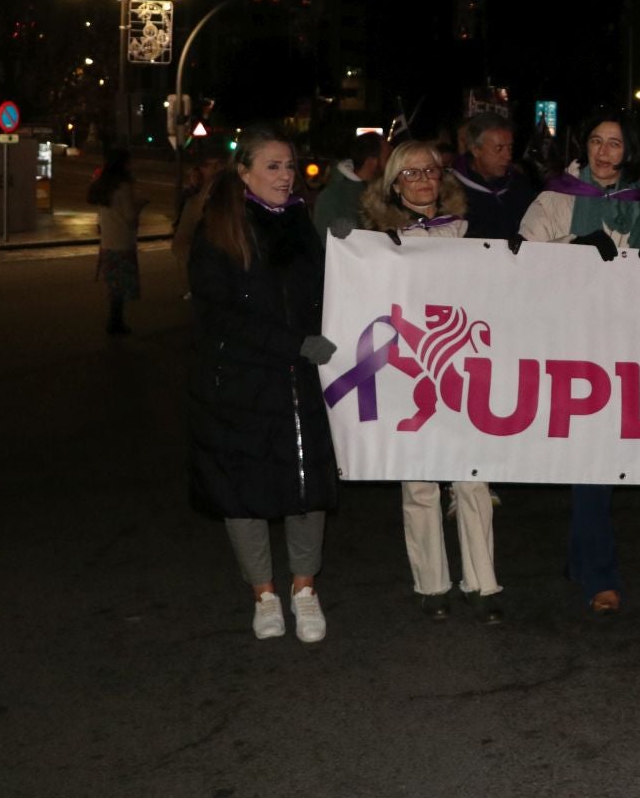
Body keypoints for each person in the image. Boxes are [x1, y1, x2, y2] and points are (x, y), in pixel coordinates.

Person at [186, 125, 339, 642]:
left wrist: (348, 251)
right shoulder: (219, 229)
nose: (285, 175)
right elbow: (220, 316)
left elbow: (324, 295)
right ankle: (264, 595)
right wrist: (292, 344)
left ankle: (304, 590)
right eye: (272, 166)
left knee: (306, 485)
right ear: (244, 172)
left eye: (290, 165)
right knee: (243, 490)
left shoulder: (300, 223)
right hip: (240, 386)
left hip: (299, 382)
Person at [515, 113, 640, 615]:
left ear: (630, 151)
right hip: (571, 342)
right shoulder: (556, 198)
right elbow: (523, 258)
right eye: (596, 142)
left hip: (624, 343)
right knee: (594, 459)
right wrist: (574, 247)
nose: (604, 153)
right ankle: (601, 575)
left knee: (599, 460)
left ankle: (581, 557)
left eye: (615, 144)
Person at [350, 138, 504, 622]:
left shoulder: (468, 231)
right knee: (419, 480)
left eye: (430, 171)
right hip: (405, 365)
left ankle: (483, 583)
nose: (422, 181)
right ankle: (431, 584)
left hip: (463, 364)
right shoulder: (374, 240)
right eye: (410, 173)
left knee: (472, 476)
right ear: (394, 184)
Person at [90, 148, 148, 336]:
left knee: (114, 285)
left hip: (107, 242)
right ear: (123, 164)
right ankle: (115, 323)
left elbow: (101, 215)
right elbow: (130, 216)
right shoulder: (124, 187)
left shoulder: (103, 186)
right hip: (123, 241)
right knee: (121, 286)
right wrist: (140, 206)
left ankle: (114, 321)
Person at [451, 112, 536, 240]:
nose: (508, 156)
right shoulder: (451, 189)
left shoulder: (518, 184)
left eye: (510, 148)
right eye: (499, 148)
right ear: (476, 150)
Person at [171, 143, 228, 286]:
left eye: (219, 165)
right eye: (209, 165)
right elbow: (181, 242)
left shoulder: (234, 195)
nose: (214, 170)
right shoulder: (195, 200)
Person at [314, 132, 386, 238]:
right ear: (373, 161)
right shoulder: (332, 198)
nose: (394, 164)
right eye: (389, 157)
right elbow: (324, 242)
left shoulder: (389, 194)